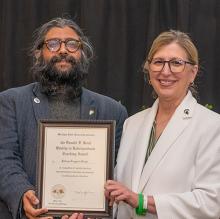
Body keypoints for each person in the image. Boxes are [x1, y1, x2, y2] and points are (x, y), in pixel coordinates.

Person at [0, 17, 127, 219]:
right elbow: (4, 157)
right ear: (38, 53)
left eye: (71, 44)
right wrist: (23, 194)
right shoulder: (11, 102)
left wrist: (91, 209)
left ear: (82, 53)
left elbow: (117, 173)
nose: (63, 50)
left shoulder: (112, 111)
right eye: (53, 44)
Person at [104, 30, 220, 219]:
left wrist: (143, 202)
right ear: (149, 70)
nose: (165, 71)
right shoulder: (131, 124)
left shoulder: (212, 126)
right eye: (158, 62)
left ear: (193, 72)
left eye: (176, 63)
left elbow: (212, 202)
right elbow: (119, 191)